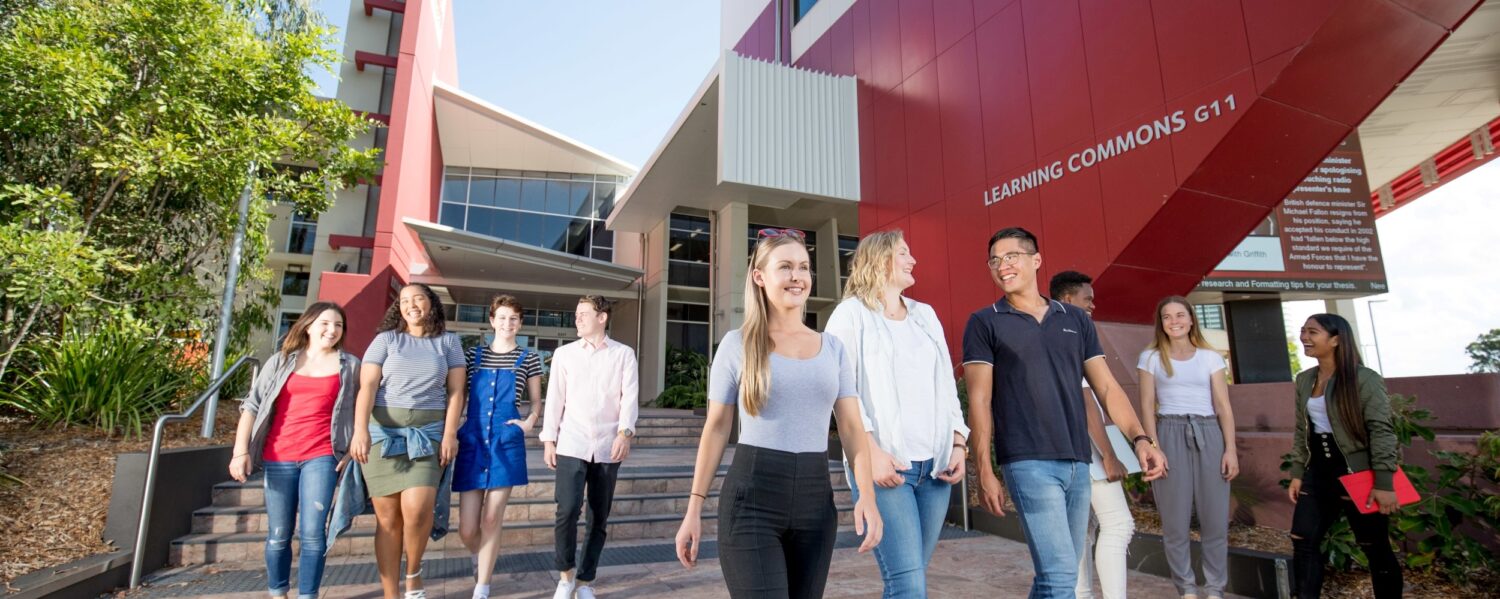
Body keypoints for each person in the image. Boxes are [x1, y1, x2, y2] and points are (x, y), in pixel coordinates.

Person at [675, 228, 883, 599]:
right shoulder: (737, 345)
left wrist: (865, 495)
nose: (797, 276)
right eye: (785, 267)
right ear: (759, 276)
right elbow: (717, 428)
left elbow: (852, 428)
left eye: (803, 267)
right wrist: (694, 507)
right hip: (752, 500)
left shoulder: (833, 348)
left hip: (816, 503)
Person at [961, 227, 1167, 599]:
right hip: (1027, 462)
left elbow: (1106, 388)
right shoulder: (985, 322)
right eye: (994, 260)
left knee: (1056, 576)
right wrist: (985, 471)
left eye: (1011, 257)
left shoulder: (1075, 319)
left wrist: (1140, 438)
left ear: (1035, 260)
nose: (1002, 266)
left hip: (1077, 462)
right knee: (1060, 577)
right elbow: (979, 401)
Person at [823, 229, 968, 598]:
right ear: (880, 259)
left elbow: (946, 385)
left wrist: (958, 442)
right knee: (908, 584)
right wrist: (871, 452)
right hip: (885, 469)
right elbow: (842, 391)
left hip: (936, 469)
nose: (912, 260)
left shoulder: (925, 315)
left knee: (911, 579)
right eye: (904, 252)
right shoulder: (850, 314)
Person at [229, 303, 360, 599]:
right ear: (309, 325)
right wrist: (241, 452)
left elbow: (360, 408)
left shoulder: (349, 365)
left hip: (323, 455)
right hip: (279, 454)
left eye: (339, 325)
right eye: (326, 323)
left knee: (314, 533)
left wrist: (353, 446)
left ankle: (308, 595)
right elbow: (252, 405)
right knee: (278, 535)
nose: (332, 330)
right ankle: (278, 593)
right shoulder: (281, 361)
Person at [348, 283, 467, 599]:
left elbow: (456, 392)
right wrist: (360, 430)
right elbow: (368, 387)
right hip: (382, 436)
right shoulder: (385, 340)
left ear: (431, 303)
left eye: (418, 298)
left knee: (417, 509)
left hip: (427, 435)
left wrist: (450, 433)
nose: (411, 305)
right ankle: (391, 593)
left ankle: (413, 573)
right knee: (387, 520)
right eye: (404, 300)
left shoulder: (449, 343)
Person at [1288, 314, 1402, 598]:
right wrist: (1298, 472)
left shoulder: (1364, 379)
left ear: (1336, 340)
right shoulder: (1305, 380)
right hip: (1318, 472)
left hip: (1357, 471)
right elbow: (1303, 429)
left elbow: (1382, 430)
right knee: (1303, 539)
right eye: (1303, 331)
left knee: (1374, 546)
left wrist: (1384, 483)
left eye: (1313, 332)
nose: (1305, 337)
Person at [540, 295, 639, 599]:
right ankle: (565, 576)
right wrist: (548, 439)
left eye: (584, 314)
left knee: (599, 516)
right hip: (572, 442)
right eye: (576, 314)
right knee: (567, 510)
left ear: (602, 317)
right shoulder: (564, 355)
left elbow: (629, 397)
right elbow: (555, 398)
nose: (577, 319)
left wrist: (625, 433)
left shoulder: (623, 354)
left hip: (609, 446)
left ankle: (585, 582)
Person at [1138, 296, 1238, 599]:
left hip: (1209, 432)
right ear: (1161, 323)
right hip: (1169, 431)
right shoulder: (1151, 357)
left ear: (1191, 319)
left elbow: (1223, 406)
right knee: (1175, 523)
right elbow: (1146, 406)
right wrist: (1155, 447)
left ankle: (1216, 589)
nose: (1174, 321)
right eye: (1167, 317)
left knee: (1215, 521)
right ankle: (1187, 590)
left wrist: (1230, 449)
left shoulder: (1209, 357)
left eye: (1180, 315)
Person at [1050, 271, 1134, 599]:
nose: (1093, 305)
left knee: (1080, 531)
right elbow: (1086, 399)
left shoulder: (1045, 331)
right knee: (1118, 524)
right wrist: (1109, 455)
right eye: (1088, 299)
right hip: (1085, 450)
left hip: (1057, 449)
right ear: (1068, 300)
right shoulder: (1072, 333)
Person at [454, 294, 544, 599]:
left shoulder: (529, 358)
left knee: (492, 517)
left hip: (505, 441)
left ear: (520, 323)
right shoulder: (472, 355)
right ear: (492, 321)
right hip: (473, 439)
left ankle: (483, 585)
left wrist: (530, 421)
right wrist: (454, 425)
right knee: (467, 528)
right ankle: (479, 554)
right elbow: (460, 396)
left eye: (514, 318)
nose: (508, 323)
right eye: (503, 317)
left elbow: (535, 399)